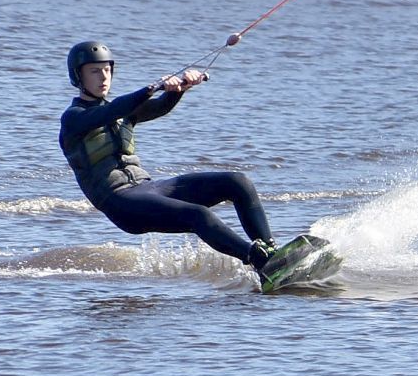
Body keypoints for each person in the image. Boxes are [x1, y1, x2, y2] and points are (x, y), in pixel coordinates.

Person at [59, 41, 278, 274]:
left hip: (149, 188)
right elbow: (111, 111)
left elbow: (159, 107)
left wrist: (178, 90)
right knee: (198, 214)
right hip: (120, 203)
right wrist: (152, 88)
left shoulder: (124, 112)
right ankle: (260, 262)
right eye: (94, 71)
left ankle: (272, 251)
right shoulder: (73, 119)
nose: (104, 77)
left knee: (237, 182)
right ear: (78, 76)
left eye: (107, 70)